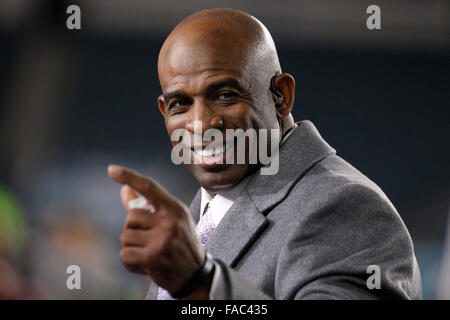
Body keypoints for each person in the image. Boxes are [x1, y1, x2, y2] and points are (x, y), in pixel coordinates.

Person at [108, 8, 421, 300]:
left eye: (225, 95)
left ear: (281, 97)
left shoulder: (344, 208)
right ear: (164, 110)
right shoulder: (201, 215)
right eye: (181, 104)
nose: (201, 124)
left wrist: (201, 283)